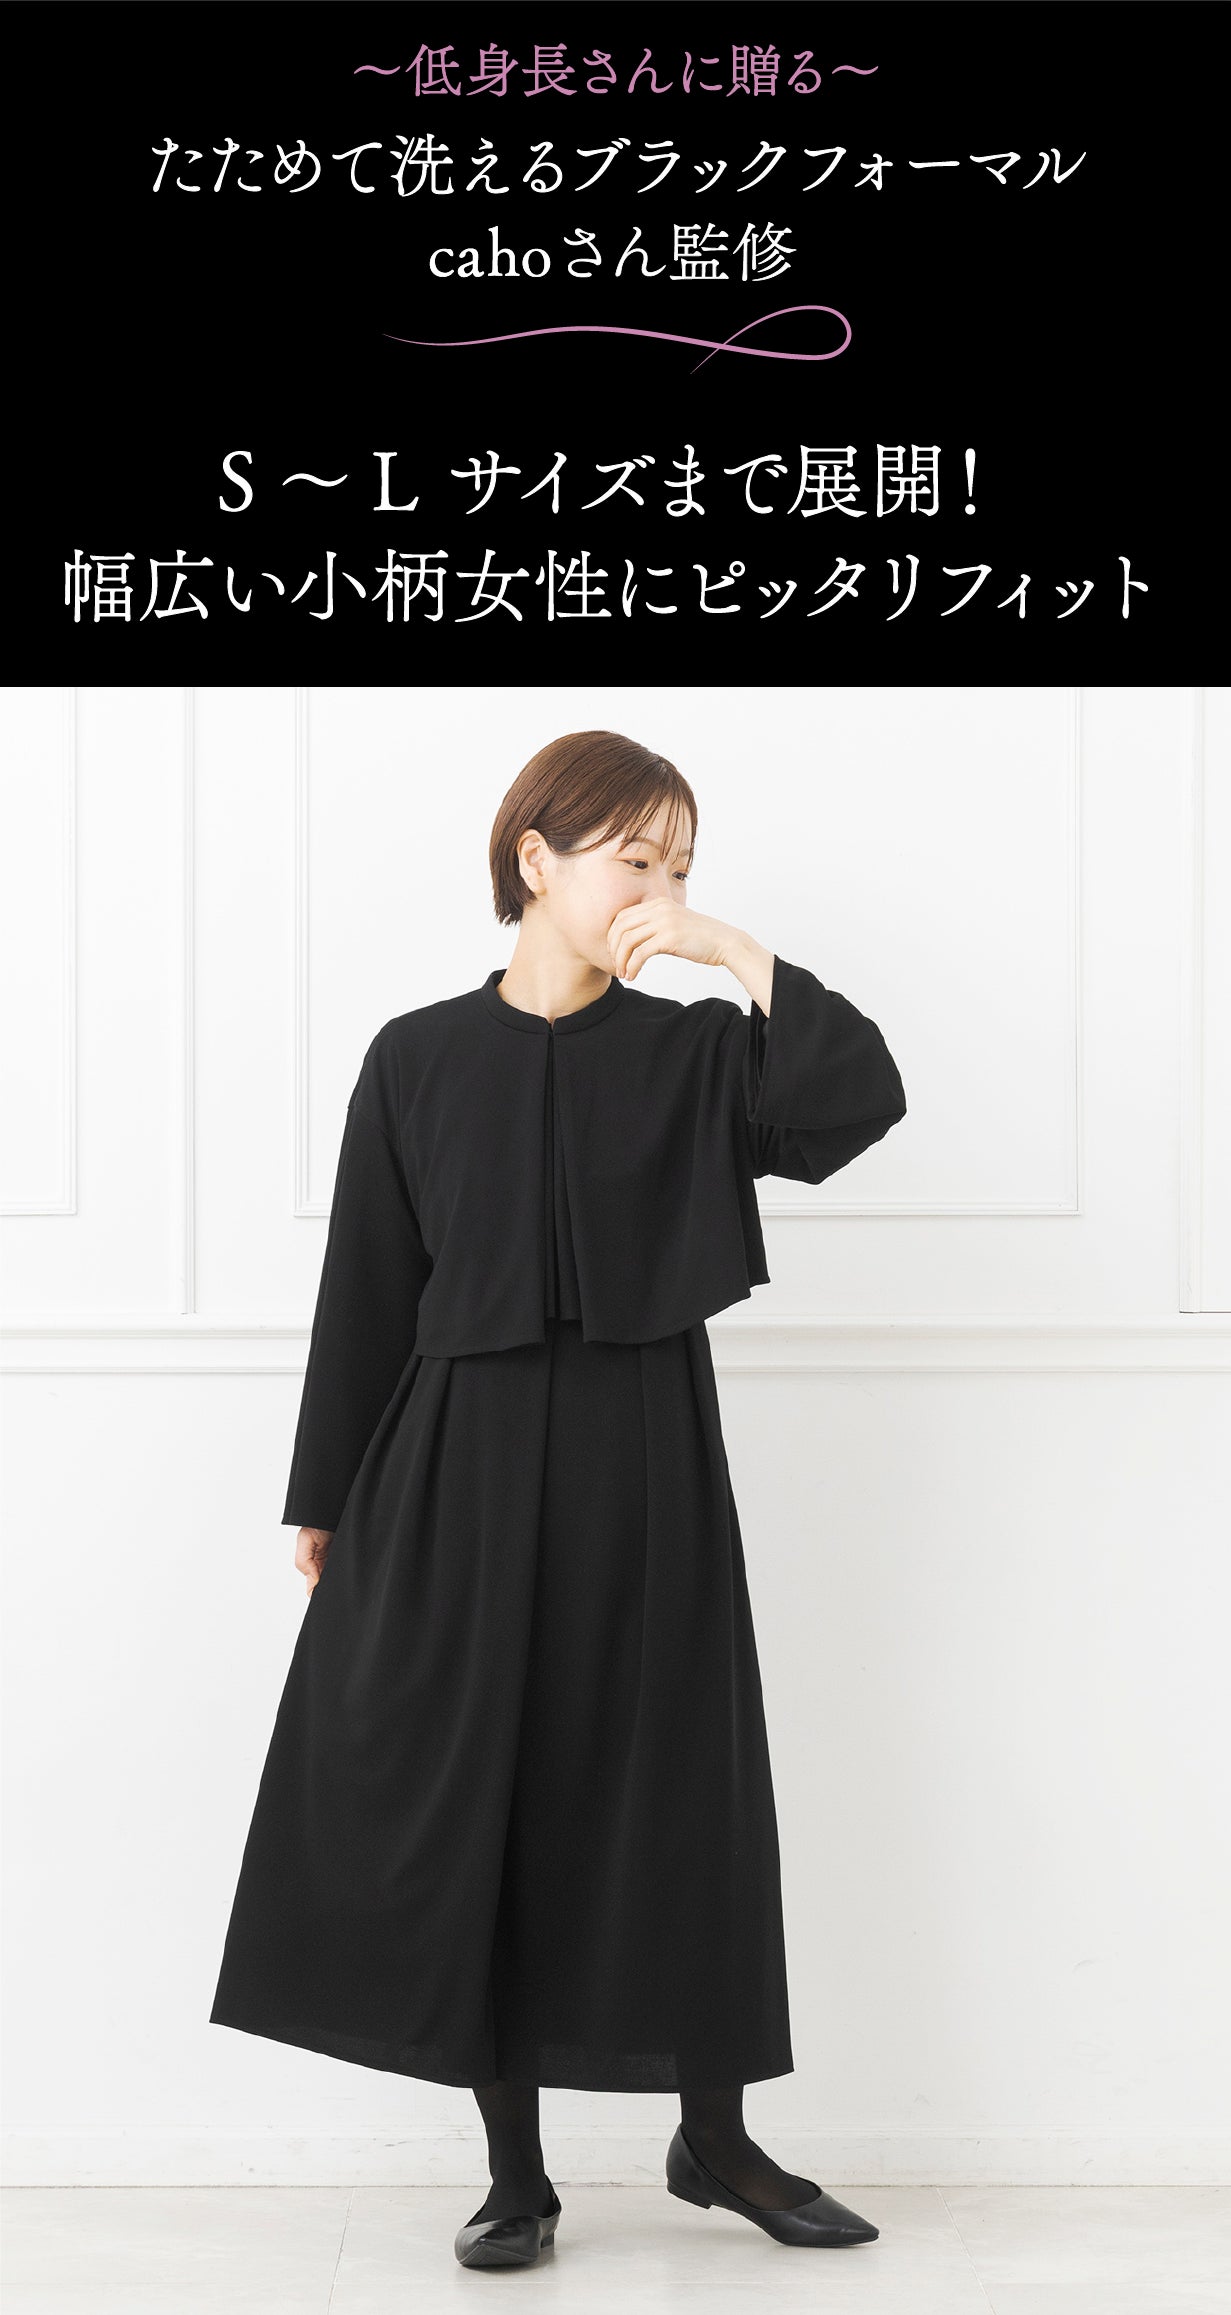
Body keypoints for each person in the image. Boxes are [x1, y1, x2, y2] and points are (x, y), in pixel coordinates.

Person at [209, 729, 907, 2268]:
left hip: (646, 1464)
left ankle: (716, 2140)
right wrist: (327, 1491)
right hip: (451, 1470)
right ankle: (515, 2174)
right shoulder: (414, 1059)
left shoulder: (697, 1057)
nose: (657, 888)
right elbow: (368, 1287)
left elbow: (859, 1100)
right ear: (535, 858)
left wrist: (732, 952)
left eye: (681, 865)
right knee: (485, 1794)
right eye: (632, 858)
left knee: (680, 1790)